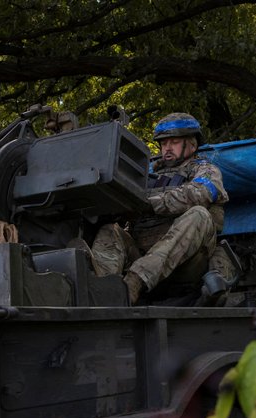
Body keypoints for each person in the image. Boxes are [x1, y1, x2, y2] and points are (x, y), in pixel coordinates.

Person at [90, 112, 228, 304]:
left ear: (192, 144)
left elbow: (201, 193)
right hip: (143, 252)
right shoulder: (147, 174)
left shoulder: (205, 170)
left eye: (173, 142)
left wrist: (150, 202)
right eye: (164, 144)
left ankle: (133, 283)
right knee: (110, 230)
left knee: (199, 214)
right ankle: (102, 291)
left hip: (186, 265)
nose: (167, 148)